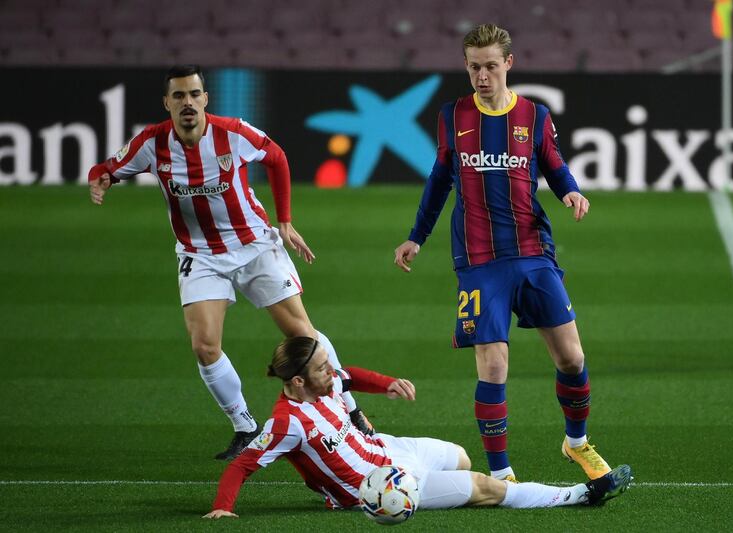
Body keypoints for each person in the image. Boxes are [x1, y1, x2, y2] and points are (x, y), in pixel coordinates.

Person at [88, 64, 372, 460]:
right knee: (205, 346)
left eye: (194, 94)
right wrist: (99, 178)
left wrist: (285, 220)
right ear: (166, 103)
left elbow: (276, 157)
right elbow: (107, 168)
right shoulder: (152, 143)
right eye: (179, 96)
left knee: (302, 335)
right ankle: (245, 426)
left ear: (206, 98)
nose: (188, 103)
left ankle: (350, 411)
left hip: (254, 244)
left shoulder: (233, 133)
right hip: (200, 254)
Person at [393, 24, 607, 483]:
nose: (483, 76)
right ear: (466, 66)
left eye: (491, 65)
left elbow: (554, 162)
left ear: (509, 63)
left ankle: (577, 443)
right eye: (474, 67)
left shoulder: (534, 114)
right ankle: (500, 472)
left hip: (532, 251)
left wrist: (570, 192)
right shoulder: (453, 115)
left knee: (571, 358)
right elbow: (439, 179)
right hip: (478, 261)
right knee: (493, 363)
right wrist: (417, 235)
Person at [203, 337, 631, 518]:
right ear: (297, 382)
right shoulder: (285, 423)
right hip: (380, 487)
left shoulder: (326, 383)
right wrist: (223, 507)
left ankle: (482, 493)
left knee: (462, 455)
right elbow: (241, 465)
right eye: (320, 368)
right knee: (485, 486)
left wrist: (387, 383)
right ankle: (579, 495)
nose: (330, 372)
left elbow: (349, 372)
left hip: (389, 450)